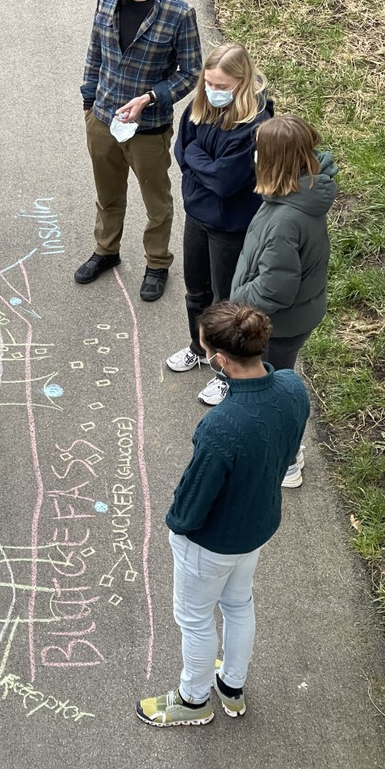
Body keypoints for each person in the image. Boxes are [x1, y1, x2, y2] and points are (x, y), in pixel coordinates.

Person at [136, 302, 309, 727]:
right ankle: (231, 686)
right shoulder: (291, 386)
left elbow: (193, 502)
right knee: (238, 603)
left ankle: (193, 700)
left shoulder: (222, 426)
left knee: (195, 620)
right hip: (257, 526)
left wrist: (176, 529)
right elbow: (286, 452)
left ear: (219, 359)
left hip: (211, 542)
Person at [76, 0, 202, 300]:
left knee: (156, 201)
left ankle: (157, 263)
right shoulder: (107, 2)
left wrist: (151, 97)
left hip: (148, 129)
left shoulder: (178, 13)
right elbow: (95, 51)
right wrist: (88, 104)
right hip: (102, 119)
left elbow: (191, 72)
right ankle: (106, 251)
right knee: (108, 194)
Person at [231, 114, 337, 486]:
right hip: (298, 314)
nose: (254, 156)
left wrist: (233, 304)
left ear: (274, 160)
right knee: (277, 382)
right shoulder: (298, 193)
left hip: (281, 324)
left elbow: (275, 289)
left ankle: (287, 461)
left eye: (260, 151)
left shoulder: (286, 218)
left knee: (272, 391)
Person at [165, 42, 273, 406]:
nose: (213, 91)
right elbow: (182, 150)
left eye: (222, 86)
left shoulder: (256, 124)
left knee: (225, 301)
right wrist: (203, 161)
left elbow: (226, 182)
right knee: (195, 288)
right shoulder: (202, 106)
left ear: (242, 83)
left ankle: (226, 372)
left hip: (230, 227)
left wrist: (198, 159)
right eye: (209, 82)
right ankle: (200, 347)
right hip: (198, 214)